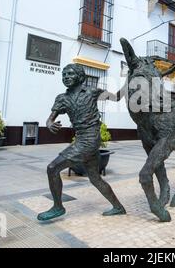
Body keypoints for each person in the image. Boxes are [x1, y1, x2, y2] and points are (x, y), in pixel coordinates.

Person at [37, 64, 126, 221]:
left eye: (70, 74)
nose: (66, 77)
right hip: (81, 138)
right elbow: (50, 118)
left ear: (80, 76)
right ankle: (118, 207)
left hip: (90, 138)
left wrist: (129, 84)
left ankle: (58, 207)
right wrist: (50, 124)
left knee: (52, 168)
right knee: (95, 178)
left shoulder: (92, 91)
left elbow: (116, 97)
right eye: (64, 75)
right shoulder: (62, 98)